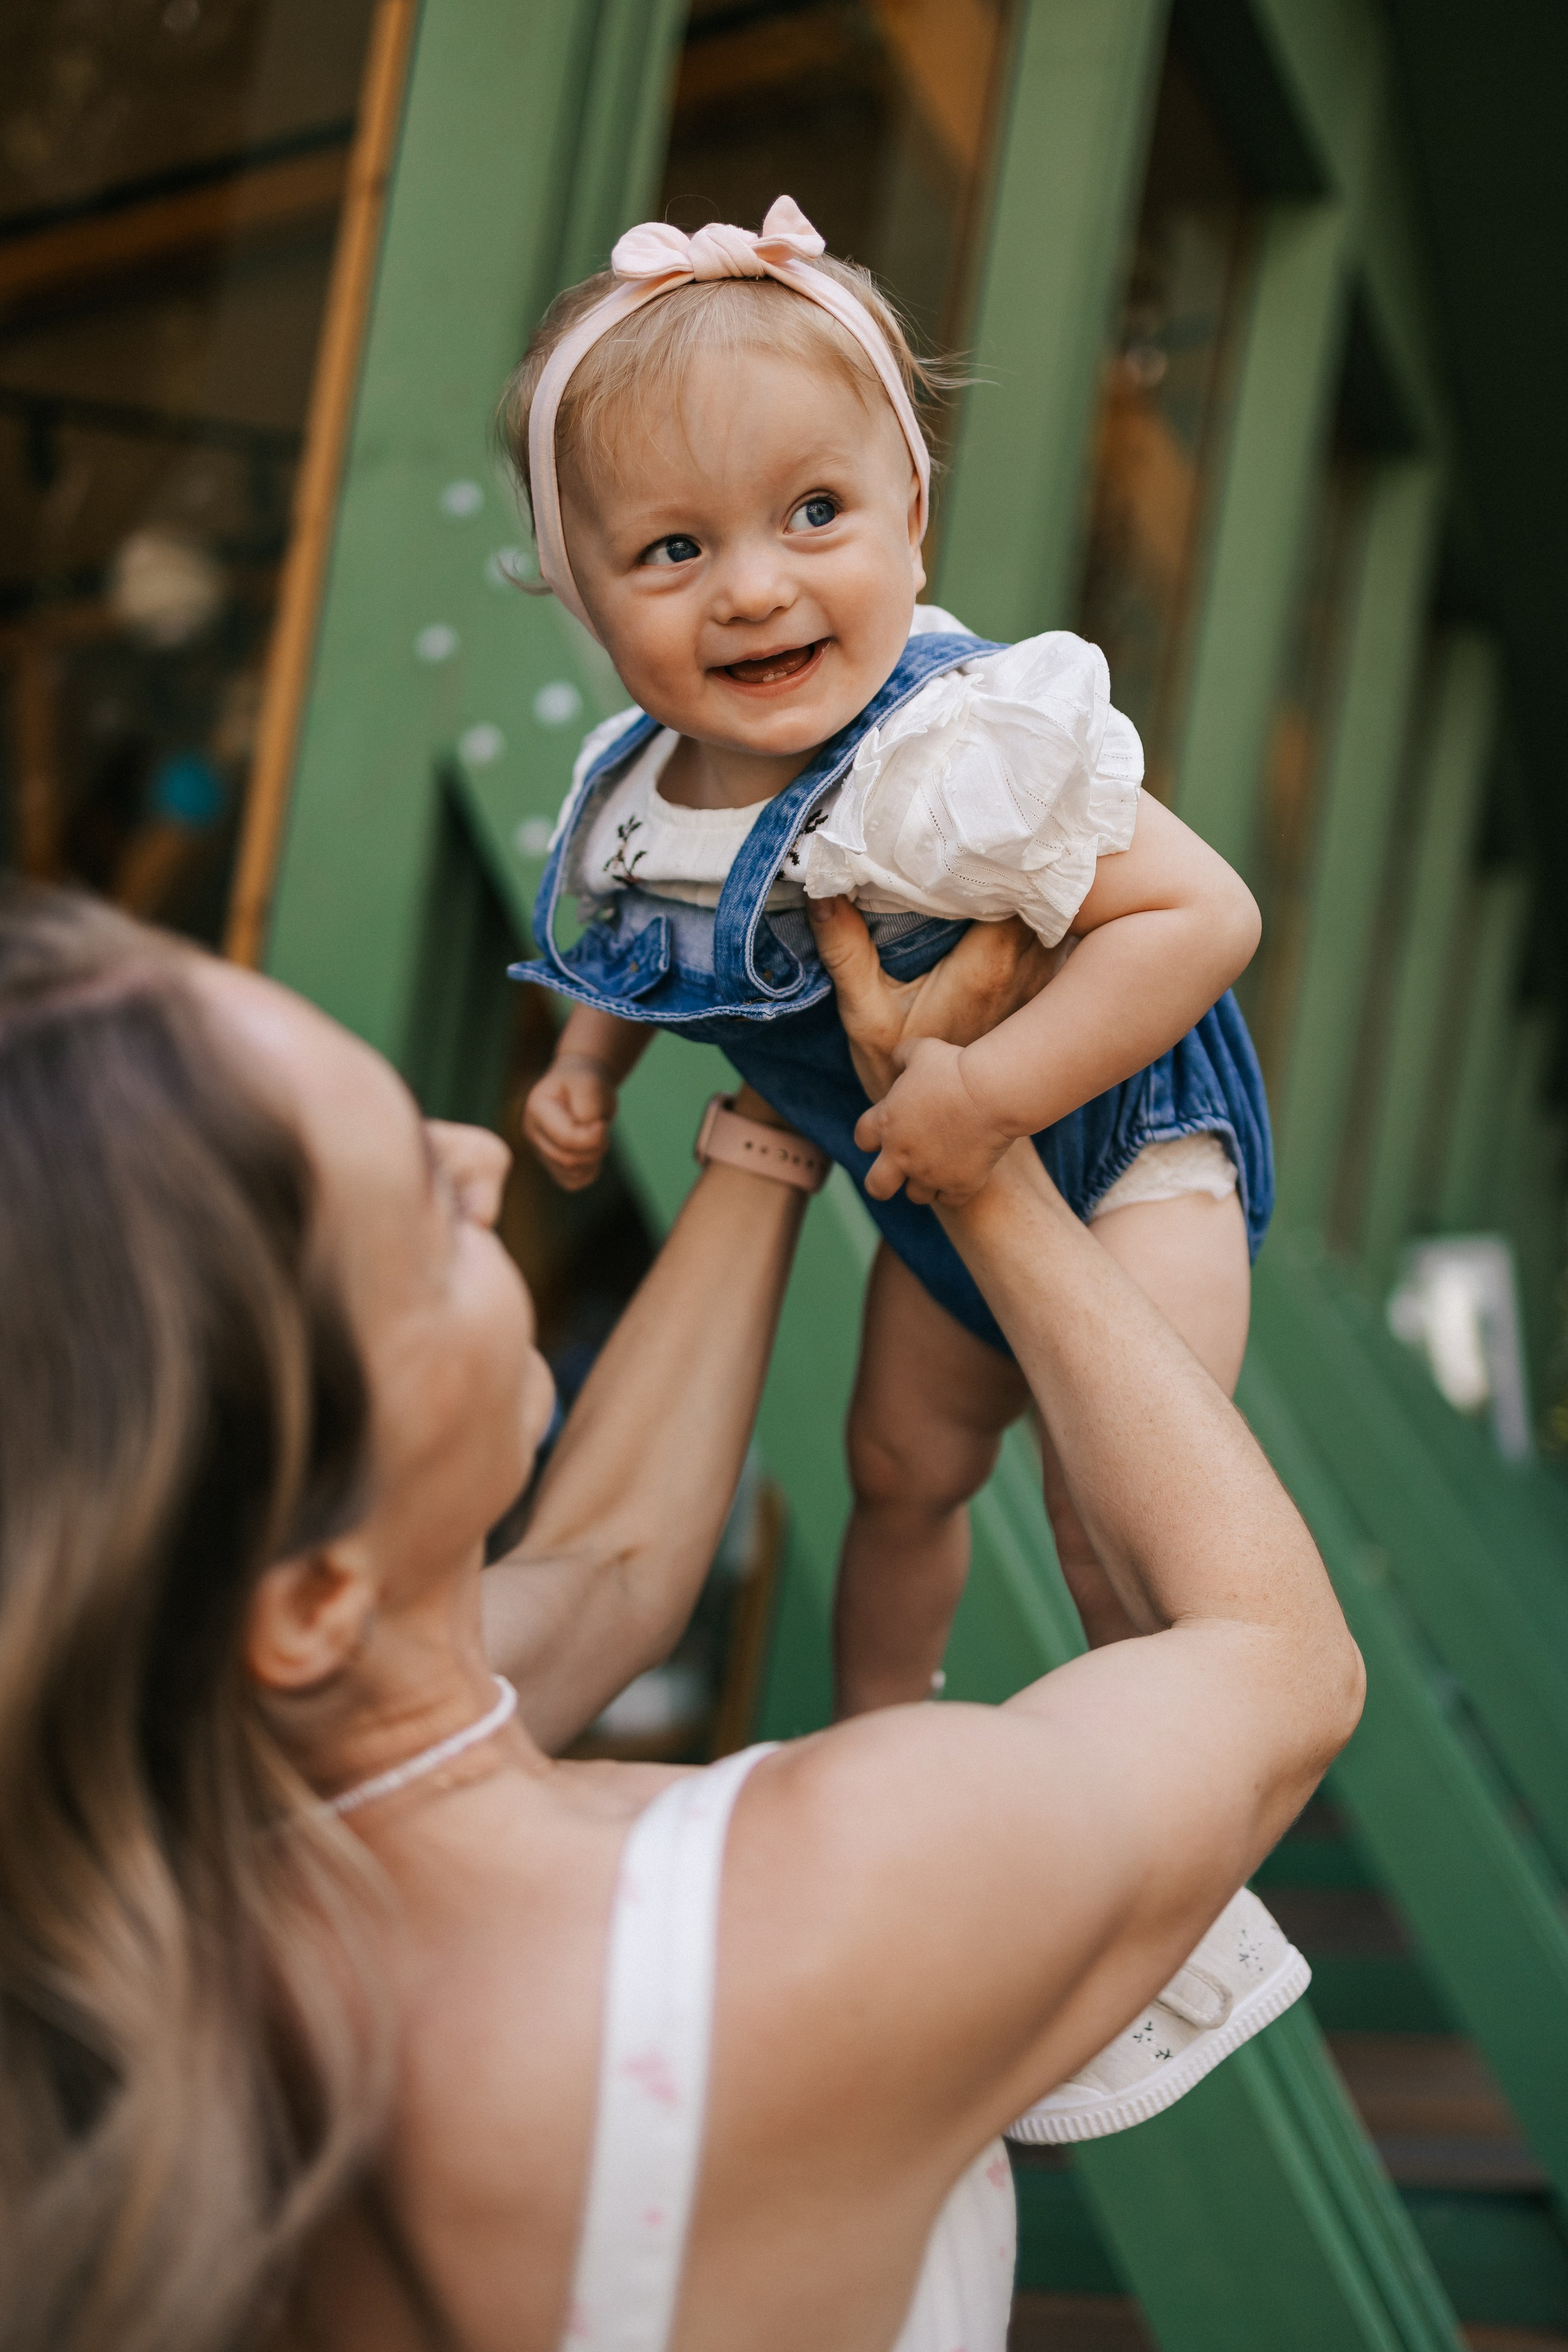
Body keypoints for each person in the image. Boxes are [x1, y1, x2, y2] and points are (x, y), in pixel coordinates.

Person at [0, 883, 1362, 2352]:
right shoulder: (820, 1908)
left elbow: (610, 1567)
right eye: (416, 1214)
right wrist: (975, 1157)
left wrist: (784, 1065)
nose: (472, 1156)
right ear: (318, 1593)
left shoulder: (142, 1852)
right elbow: (1269, 1657)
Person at [506, 198, 1271, 1730]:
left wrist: (991, 1095)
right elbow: (640, 947)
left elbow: (1202, 917)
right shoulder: (640, 792)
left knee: (1109, 1516)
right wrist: (585, 1070)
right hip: (922, 1178)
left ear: (909, 523)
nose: (751, 586)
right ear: (583, 596)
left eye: (812, 514)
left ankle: (1176, 1840)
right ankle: (875, 1737)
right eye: (672, 547)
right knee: (898, 1471)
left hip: (1121, 1151)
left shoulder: (950, 753)